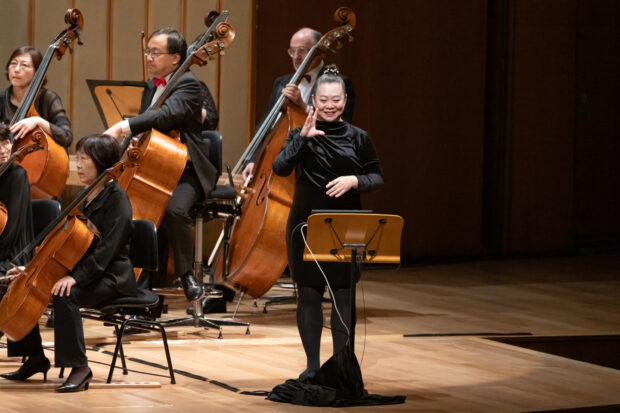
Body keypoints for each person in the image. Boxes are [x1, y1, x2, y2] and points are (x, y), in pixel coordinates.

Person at [0, 134, 136, 392]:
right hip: (86, 270)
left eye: (84, 159)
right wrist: (30, 269)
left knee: (66, 294)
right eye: (79, 158)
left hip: (111, 276)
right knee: (18, 285)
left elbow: (106, 253)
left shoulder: (117, 200)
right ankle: (36, 358)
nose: (79, 165)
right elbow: (67, 245)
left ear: (101, 162)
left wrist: (76, 278)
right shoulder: (88, 195)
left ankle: (80, 367)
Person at [272, 68, 384, 381]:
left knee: (343, 294)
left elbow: (377, 177)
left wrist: (354, 180)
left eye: (336, 99)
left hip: (346, 224)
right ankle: (311, 366)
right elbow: (279, 168)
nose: (330, 105)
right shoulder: (300, 134)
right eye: (324, 100)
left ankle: (340, 364)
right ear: (314, 102)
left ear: (345, 101)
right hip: (305, 225)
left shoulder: (359, 138)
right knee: (308, 293)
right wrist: (301, 141)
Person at [105, 27, 217, 300]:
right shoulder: (150, 85)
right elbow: (151, 126)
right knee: (126, 210)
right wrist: (137, 139)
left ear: (176, 58)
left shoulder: (190, 84)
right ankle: (130, 287)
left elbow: (167, 115)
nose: (149, 57)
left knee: (175, 210)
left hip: (187, 171)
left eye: (155, 52)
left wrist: (124, 126)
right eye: (147, 51)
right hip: (155, 164)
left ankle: (186, 274)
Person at [242, 27, 356, 181]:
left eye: (302, 51)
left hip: (313, 168)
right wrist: (253, 159)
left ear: (320, 52)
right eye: (292, 51)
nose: (296, 57)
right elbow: (265, 125)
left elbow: (340, 127)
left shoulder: (339, 83)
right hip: (272, 165)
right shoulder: (281, 82)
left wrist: (303, 106)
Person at [0, 46, 73, 149]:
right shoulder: (1, 99)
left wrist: (38, 121)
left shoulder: (48, 98)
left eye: (24, 65)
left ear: (37, 72)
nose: (16, 70)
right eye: (13, 64)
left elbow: (66, 137)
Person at [0, 123, 33, 274]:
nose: (2, 151)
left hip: (11, 254)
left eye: (6, 143)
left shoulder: (18, 175)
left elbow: (11, 232)